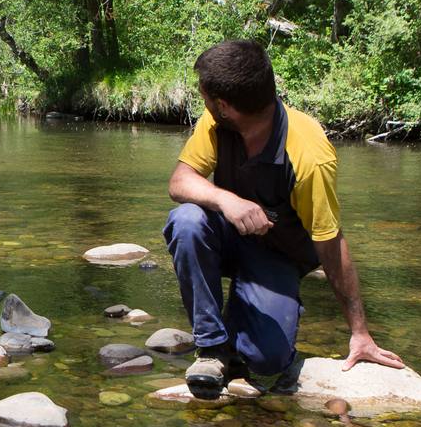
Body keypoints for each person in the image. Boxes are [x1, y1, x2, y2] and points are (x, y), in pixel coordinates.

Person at [165, 39, 404, 400]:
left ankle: (259, 316)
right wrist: (225, 199)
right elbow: (180, 182)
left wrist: (360, 333)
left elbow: (330, 241)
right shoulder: (215, 125)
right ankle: (212, 348)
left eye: (205, 98)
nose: (204, 104)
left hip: (277, 256)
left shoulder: (309, 154)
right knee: (187, 221)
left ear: (225, 105)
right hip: (230, 238)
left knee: (266, 360)